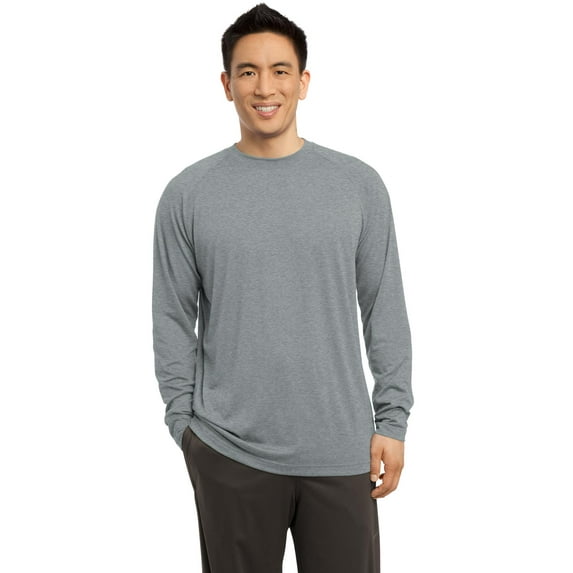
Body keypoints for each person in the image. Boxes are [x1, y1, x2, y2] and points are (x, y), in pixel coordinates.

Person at [152, 4, 413, 572]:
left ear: (304, 81)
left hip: (342, 450)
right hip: (229, 451)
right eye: (247, 71)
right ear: (227, 84)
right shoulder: (188, 194)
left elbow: (384, 308)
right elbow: (172, 318)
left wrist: (392, 421)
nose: (264, 87)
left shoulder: (357, 185)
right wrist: (185, 427)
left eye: (280, 70)